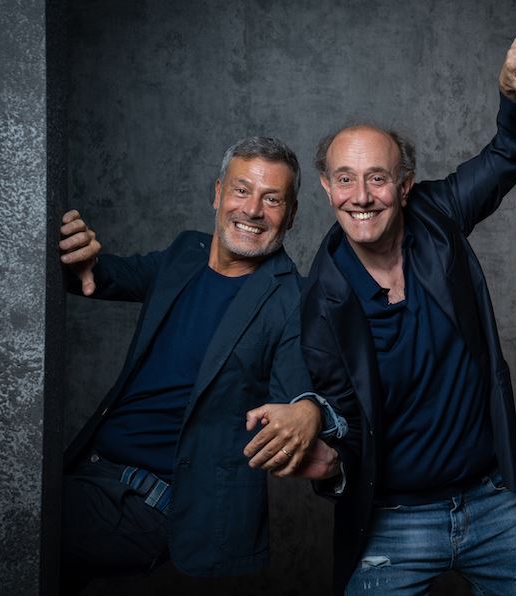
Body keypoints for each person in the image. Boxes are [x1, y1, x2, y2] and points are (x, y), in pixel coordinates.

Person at [297, 8, 516, 595]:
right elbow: (344, 418)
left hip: (495, 502)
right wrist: (329, 464)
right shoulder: (322, 301)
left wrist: (510, 94)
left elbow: (507, 154)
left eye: (378, 178)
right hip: (395, 520)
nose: (362, 196)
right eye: (345, 179)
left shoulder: (438, 215)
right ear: (328, 187)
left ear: (405, 186)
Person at [58, 136, 344, 592]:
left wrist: (308, 411)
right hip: (90, 468)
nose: (252, 210)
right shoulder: (184, 253)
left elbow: (296, 402)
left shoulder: (295, 299)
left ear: (290, 215)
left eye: (272, 199)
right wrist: (71, 253)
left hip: (154, 500)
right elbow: (99, 275)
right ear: (217, 193)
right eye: (241, 190)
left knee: (10, 521)